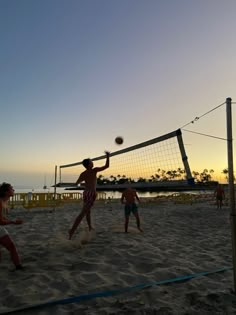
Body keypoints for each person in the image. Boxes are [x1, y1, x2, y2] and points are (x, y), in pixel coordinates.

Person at [68, 151, 110, 240]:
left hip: (86, 193)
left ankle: (90, 226)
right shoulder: (94, 170)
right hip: (91, 194)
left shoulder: (83, 173)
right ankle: (72, 230)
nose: (92, 162)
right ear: (89, 164)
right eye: (91, 161)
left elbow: (77, 183)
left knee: (87, 212)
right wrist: (107, 156)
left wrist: (84, 183)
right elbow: (106, 166)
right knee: (82, 213)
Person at [0, 183, 23, 270]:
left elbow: (1, 217)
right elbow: (1, 221)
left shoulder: (4, 201)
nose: (13, 190)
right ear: (6, 192)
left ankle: (18, 266)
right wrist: (13, 222)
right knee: (12, 246)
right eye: (11, 189)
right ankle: (18, 267)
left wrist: (8, 219)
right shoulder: (0, 202)